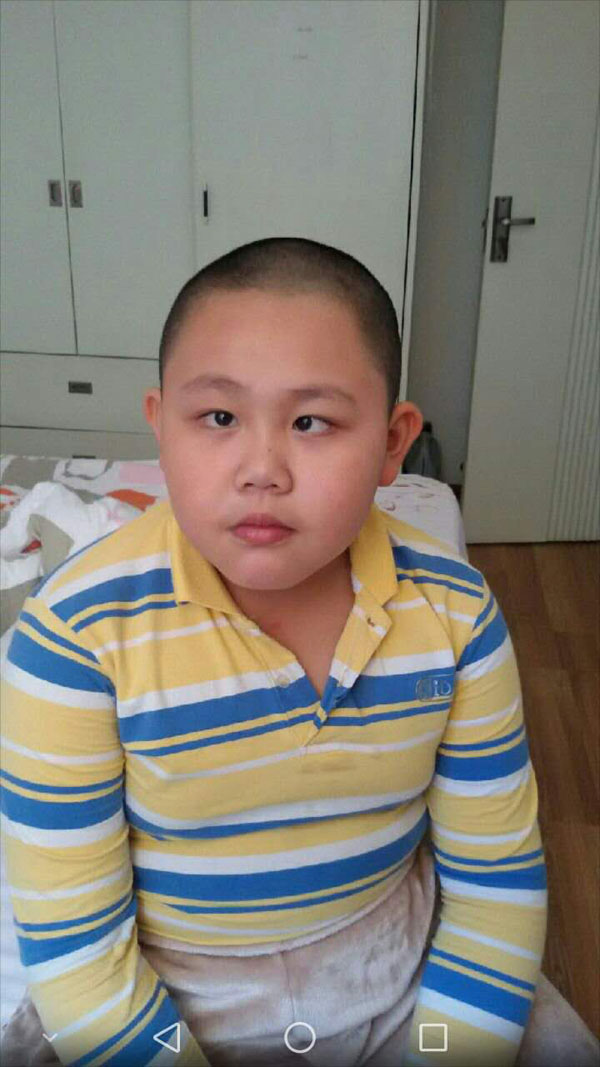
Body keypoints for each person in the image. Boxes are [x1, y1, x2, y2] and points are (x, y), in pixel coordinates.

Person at [0, 238, 595, 1067]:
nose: (262, 470)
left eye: (312, 422)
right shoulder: (74, 638)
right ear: (160, 426)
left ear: (392, 443)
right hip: (165, 996)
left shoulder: (456, 617)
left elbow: (494, 883)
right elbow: (79, 951)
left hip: (396, 966)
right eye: (219, 418)